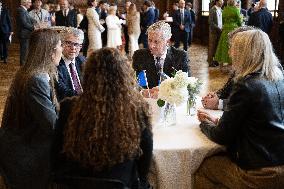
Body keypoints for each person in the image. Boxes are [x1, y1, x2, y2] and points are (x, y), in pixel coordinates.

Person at [195, 29, 284, 189]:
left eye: (233, 48)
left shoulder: (246, 85)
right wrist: (217, 120)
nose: (230, 53)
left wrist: (204, 124)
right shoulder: (279, 78)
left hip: (258, 173)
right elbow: (261, 120)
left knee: (201, 168)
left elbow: (221, 136)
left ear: (244, 53)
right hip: (280, 163)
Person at [53, 47, 153, 189]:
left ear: (87, 75)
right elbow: (144, 163)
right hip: (120, 183)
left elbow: (56, 153)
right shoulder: (136, 109)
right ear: (124, 77)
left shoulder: (68, 107)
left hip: (76, 183)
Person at [0, 29, 62, 189]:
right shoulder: (36, 79)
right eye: (60, 45)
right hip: (26, 152)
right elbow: (52, 126)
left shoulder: (29, 72)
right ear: (50, 51)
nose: (62, 49)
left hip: (24, 143)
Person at [202, 26, 256, 110]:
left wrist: (218, 104)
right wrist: (216, 95)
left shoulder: (257, 75)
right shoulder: (240, 67)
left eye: (233, 48)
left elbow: (246, 104)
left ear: (245, 49)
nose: (229, 53)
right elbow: (227, 89)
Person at [132, 21, 190, 97]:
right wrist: (142, 92)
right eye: (150, 40)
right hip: (146, 101)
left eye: (156, 42)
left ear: (167, 41)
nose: (151, 46)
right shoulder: (139, 55)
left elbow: (185, 87)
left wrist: (165, 93)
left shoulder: (180, 56)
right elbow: (133, 84)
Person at [56, 27, 85, 102]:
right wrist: (85, 96)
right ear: (61, 44)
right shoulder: (56, 64)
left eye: (77, 44)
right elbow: (62, 91)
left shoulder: (83, 61)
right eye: (69, 43)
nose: (73, 48)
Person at [214, 0, 242, 67]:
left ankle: (221, 64)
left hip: (225, 30)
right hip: (233, 30)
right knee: (232, 46)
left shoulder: (224, 10)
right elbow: (239, 21)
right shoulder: (236, 10)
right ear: (234, 2)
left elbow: (223, 21)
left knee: (223, 46)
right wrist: (240, 26)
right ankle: (231, 63)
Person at [17, 0, 37, 66]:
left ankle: (24, 66)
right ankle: (23, 66)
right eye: (29, 2)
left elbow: (30, 19)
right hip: (24, 34)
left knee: (26, 51)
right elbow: (24, 23)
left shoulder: (24, 10)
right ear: (25, 3)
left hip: (26, 34)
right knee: (24, 51)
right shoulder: (21, 10)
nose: (30, 4)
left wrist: (37, 21)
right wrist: (34, 27)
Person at [207, 0, 223, 67]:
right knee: (212, 47)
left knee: (217, 47)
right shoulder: (212, 10)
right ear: (217, 2)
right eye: (220, 1)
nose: (222, 3)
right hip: (214, 32)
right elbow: (210, 22)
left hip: (220, 31)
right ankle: (210, 62)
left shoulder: (221, 10)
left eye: (222, 1)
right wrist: (218, 28)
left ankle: (216, 60)